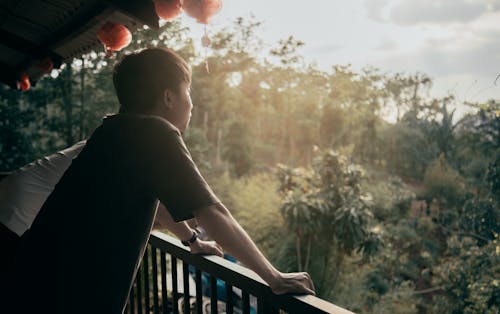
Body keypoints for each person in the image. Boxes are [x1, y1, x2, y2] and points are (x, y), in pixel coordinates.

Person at [7, 47, 314, 314]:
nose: (191, 104)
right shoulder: (156, 132)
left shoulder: (112, 130)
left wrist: (192, 241)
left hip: (31, 278)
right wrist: (274, 278)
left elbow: (158, 201)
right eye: (188, 91)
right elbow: (211, 211)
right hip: (64, 297)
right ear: (168, 97)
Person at [0, 141, 223, 278]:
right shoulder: (137, 151)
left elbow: (142, 214)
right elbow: (161, 209)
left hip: (12, 207)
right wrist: (195, 242)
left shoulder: (112, 140)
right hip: (16, 219)